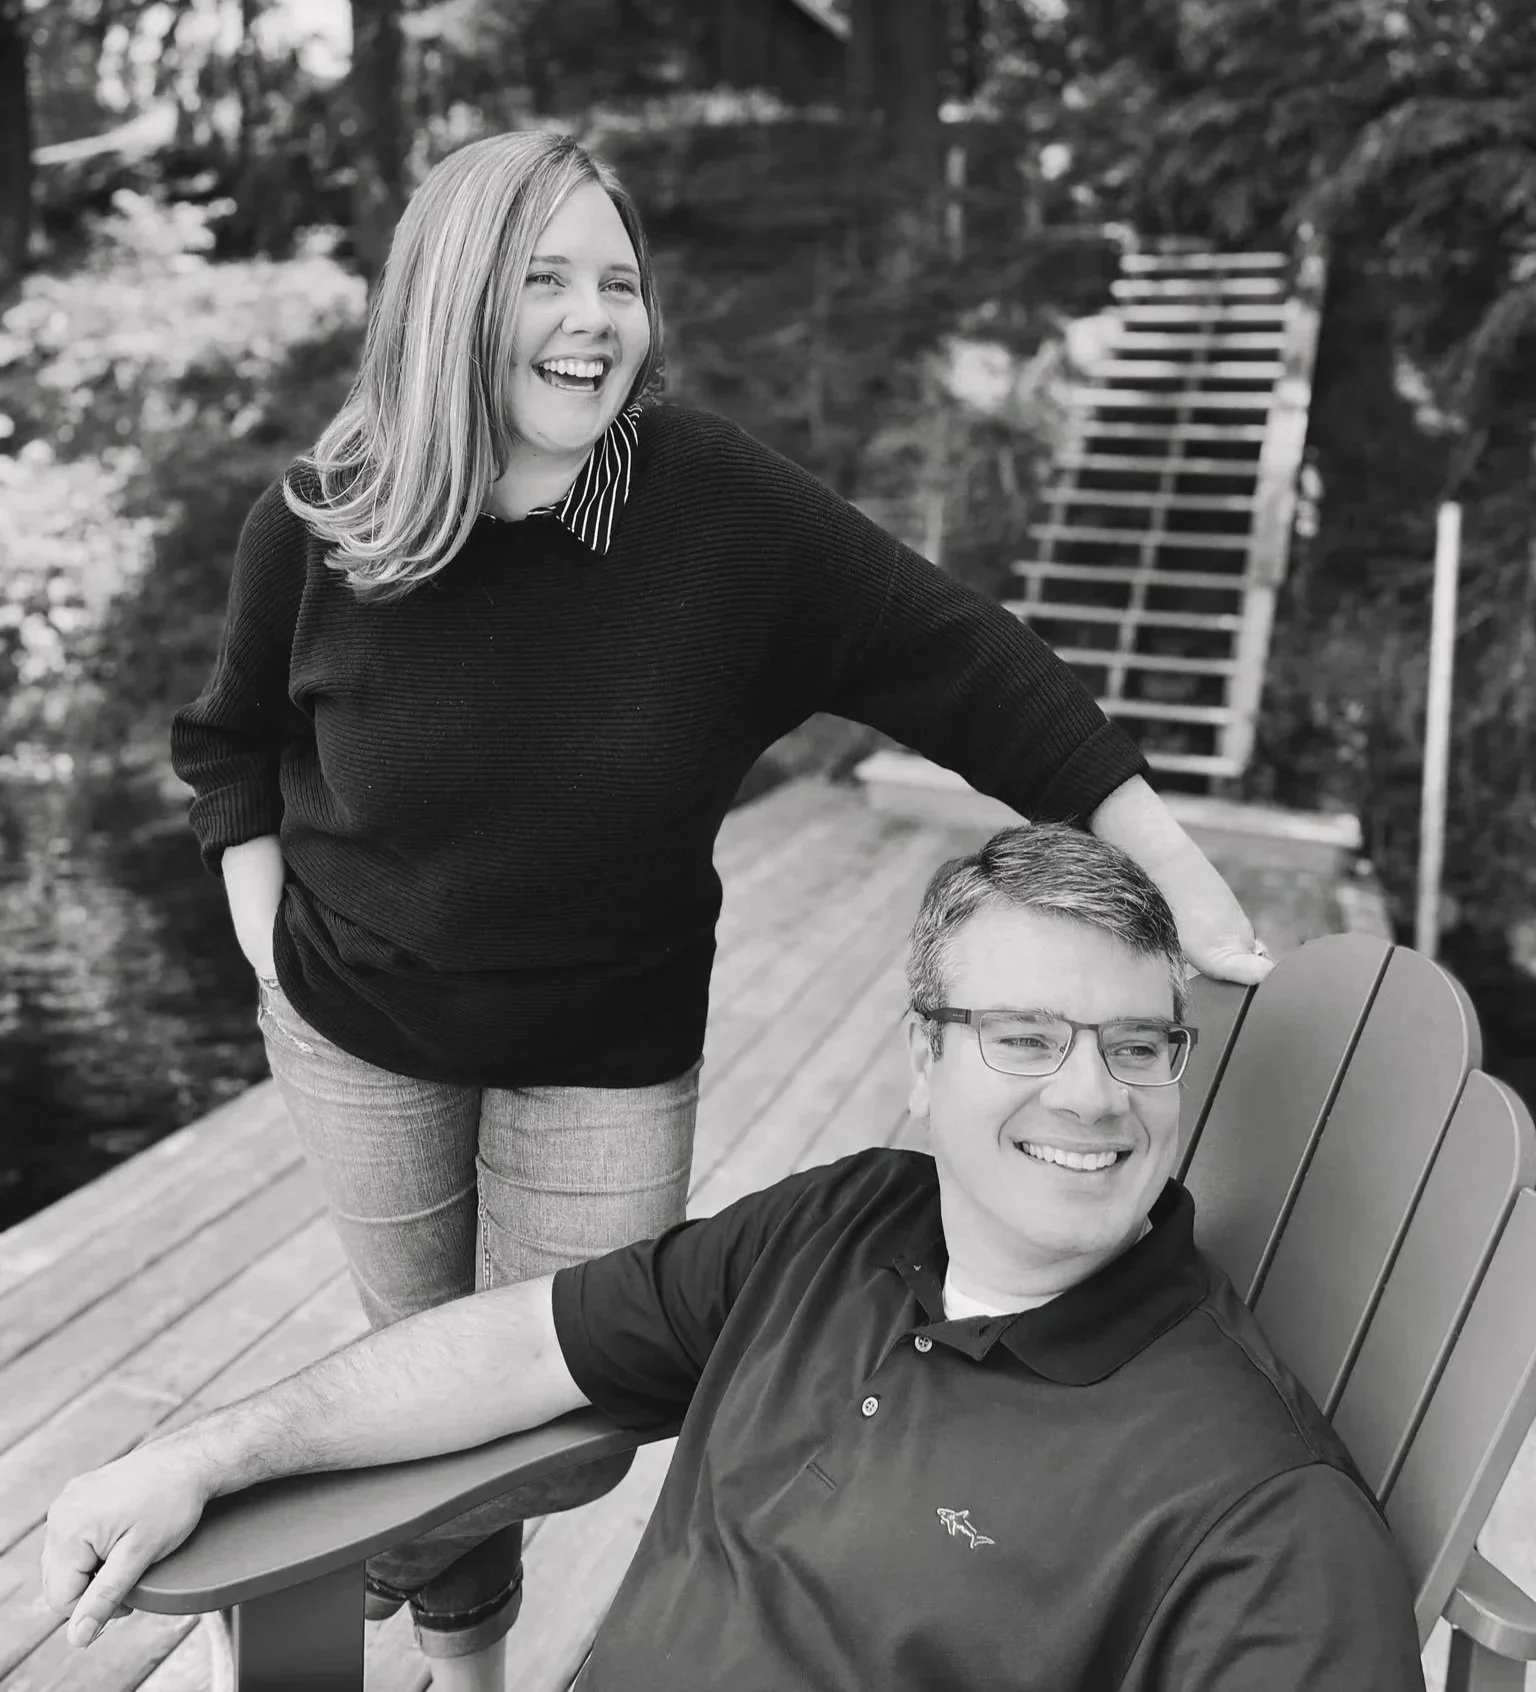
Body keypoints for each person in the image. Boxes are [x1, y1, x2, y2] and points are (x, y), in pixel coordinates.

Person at [167, 128, 1274, 1687]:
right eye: (543, 278)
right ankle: (464, 1661)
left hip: (603, 1044)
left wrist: (1178, 867)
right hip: (357, 1025)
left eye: (617, 282)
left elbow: (959, 656)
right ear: (452, 297)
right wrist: (265, 949)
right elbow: (228, 745)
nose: (592, 319)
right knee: (409, 1358)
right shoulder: (327, 515)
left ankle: (335, 1572)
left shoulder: (712, 514)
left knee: (561, 1424)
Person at [42, 826, 1420, 1689]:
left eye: (1137, 1045)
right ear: (922, 1058)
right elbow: (528, 1342)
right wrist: (207, 1458)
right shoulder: (846, 1226)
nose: (1092, 1095)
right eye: (1026, 1038)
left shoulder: (1258, 1515)